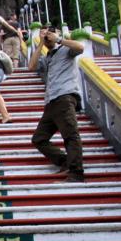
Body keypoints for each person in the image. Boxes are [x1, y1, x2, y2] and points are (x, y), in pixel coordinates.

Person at [28, 28, 85, 182]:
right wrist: (40, 44)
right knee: (39, 138)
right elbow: (31, 66)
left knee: (70, 135)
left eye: (50, 33)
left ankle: (76, 173)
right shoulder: (48, 57)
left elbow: (80, 47)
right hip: (51, 100)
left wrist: (59, 39)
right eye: (45, 34)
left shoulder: (66, 50)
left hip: (65, 97)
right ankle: (65, 162)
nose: (47, 36)